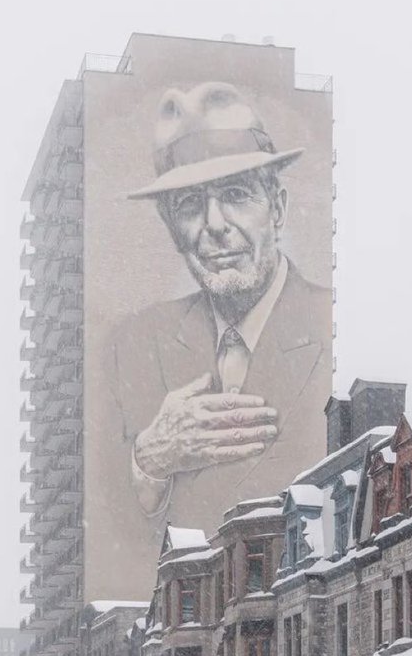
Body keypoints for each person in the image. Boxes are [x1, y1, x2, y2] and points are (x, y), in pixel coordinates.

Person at [109, 80, 330, 529]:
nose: (214, 225)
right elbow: (116, 524)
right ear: (172, 228)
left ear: (278, 209)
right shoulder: (134, 343)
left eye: (235, 195)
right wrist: (148, 460)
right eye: (191, 204)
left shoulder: (329, 325)